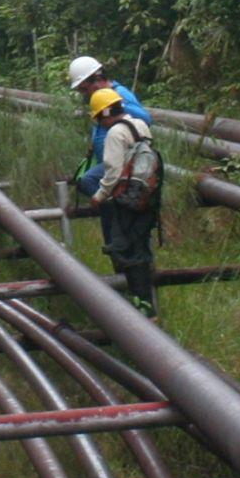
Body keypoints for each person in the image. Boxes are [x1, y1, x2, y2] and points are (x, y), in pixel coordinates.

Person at [87, 87, 160, 317]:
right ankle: (148, 301)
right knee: (141, 245)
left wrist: (99, 196)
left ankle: (139, 304)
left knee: (124, 249)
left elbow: (113, 172)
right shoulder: (140, 125)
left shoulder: (115, 134)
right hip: (147, 196)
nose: (100, 123)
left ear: (105, 114)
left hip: (127, 199)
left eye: (99, 117)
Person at [67, 55, 153, 200]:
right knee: (85, 182)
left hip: (123, 158)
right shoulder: (99, 97)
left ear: (96, 81)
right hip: (109, 158)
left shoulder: (119, 94)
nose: (84, 94)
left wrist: (116, 106)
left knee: (88, 181)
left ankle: (113, 205)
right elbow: (103, 123)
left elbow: (145, 118)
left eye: (84, 89)